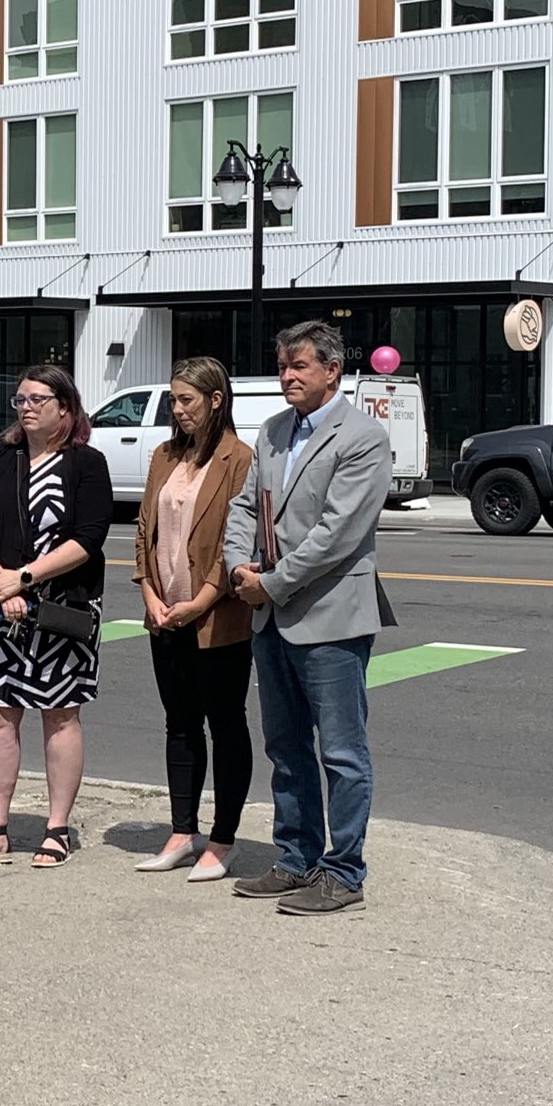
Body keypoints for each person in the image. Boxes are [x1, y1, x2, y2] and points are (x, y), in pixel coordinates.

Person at [223, 320, 394, 916]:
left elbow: (338, 534)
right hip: (270, 615)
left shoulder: (363, 437)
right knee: (285, 745)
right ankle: (295, 859)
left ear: (332, 371)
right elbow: (245, 506)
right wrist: (237, 565)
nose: (287, 377)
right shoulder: (273, 430)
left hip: (331, 617)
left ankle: (343, 872)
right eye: (282, 367)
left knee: (341, 753)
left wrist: (269, 583)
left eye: (299, 366)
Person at [0, 365, 113, 870]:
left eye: (36, 399)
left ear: (64, 408)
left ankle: (57, 828)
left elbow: (88, 538)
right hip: (1, 605)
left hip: (63, 606)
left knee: (60, 712)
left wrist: (24, 577)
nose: (25, 407)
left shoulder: (86, 463)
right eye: (19, 400)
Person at [132, 356, 254, 882]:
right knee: (179, 724)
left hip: (216, 619)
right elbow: (144, 529)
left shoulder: (239, 458)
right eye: (173, 400)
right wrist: (148, 592)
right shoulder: (164, 455)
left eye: (187, 400)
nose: (178, 410)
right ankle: (183, 831)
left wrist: (202, 600)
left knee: (225, 724)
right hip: (165, 615)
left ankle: (223, 839)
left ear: (215, 400)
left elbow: (238, 538)